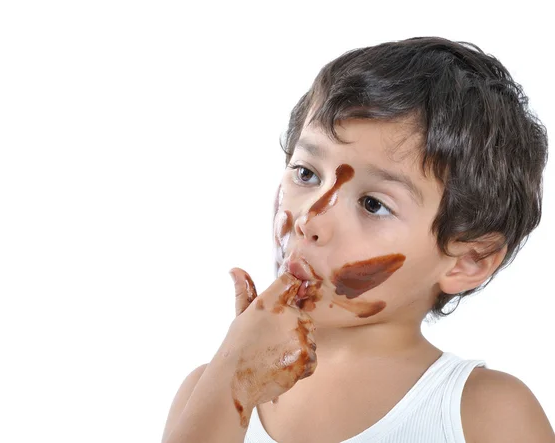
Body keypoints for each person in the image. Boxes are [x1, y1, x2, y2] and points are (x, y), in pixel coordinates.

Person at [161, 36, 553, 443]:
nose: (310, 219)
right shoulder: (206, 396)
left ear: (467, 261)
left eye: (372, 204)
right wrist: (232, 381)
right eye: (306, 174)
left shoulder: (485, 414)